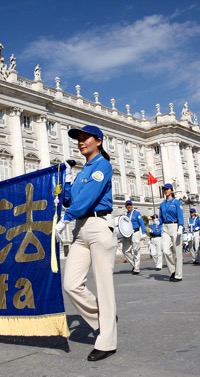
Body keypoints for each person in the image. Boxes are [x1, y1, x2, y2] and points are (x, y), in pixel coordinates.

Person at [54, 125, 117, 362]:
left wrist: (65, 220)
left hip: (99, 227)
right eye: (78, 139)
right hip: (81, 229)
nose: (81, 142)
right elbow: (71, 200)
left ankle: (107, 342)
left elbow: (89, 198)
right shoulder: (83, 172)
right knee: (71, 284)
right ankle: (105, 318)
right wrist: (68, 179)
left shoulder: (103, 166)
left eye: (85, 138)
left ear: (98, 141)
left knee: (104, 286)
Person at [158, 183, 184, 282]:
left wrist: (181, 226)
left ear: (172, 191)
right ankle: (173, 270)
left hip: (175, 225)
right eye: (164, 189)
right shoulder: (162, 204)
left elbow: (180, 215)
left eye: (168, 189)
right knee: (165, 250)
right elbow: (161, 218)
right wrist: (158, 222)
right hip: (165, 226)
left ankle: (178, 275)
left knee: (177, 252)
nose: (166, 191)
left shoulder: (177, 202)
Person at [122, 200, 147, 275]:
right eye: (127, 205)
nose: (129, 206)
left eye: (130, 205)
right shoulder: (125, 215)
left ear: (132, 205)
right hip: (127, 234)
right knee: (125, 251)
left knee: (136, 250)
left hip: (135, 232)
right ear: (126, 206)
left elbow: (142, 223)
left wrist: (143, 233)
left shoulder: (137, 213)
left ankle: (136, 268)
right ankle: (135, 264)